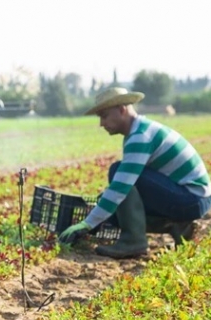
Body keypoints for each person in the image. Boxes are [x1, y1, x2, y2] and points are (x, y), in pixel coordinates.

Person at [59, 87, 211, 258]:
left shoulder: (141, 136)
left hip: (191, 198)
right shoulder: (140, 130)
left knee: (117, 172)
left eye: (104, 116)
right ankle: (178, 226)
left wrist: (87, 224)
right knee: (117, 213)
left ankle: (133, 241)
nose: (101, 124)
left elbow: (120, 188)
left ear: (122, 110)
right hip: (193, 198)